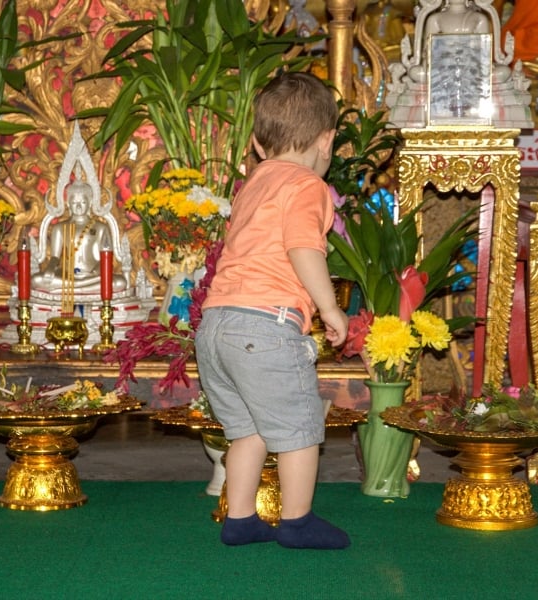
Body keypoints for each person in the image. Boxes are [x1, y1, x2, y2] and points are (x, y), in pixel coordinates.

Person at [194, 72, 350, 550]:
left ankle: (240, 519)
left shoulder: (253, 184)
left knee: (250, 431)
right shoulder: (305, 186)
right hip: (266, 328)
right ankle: (298, 521)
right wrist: (329, 308)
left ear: (259, 145)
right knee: (300, 428)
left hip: (216, 326)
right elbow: (304, 247)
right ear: (327, 141)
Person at [32, 178, 127, 293]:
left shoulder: (101, 227)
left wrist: (94, 273)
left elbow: (105, 259)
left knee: (120, 282)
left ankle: (71, 288)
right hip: (66, 276)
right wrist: (50, 268)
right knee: (36, 280)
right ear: (68, 204)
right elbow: (55, 257)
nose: (78, 207)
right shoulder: (59, 228)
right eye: (74, 203)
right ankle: (80, 287)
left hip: (92, 276)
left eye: (82, 202)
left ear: (90, 203)